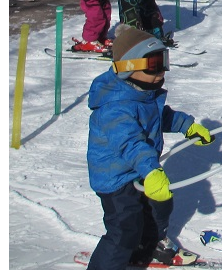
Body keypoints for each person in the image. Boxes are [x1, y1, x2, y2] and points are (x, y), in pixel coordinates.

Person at [85, 25, 215, 270]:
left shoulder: (144, 92)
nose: (161, 71)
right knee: (125, 228)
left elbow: (159, 116)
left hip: (142, 169)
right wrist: (152, 170)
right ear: (128, 68)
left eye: (163, 62)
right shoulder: (115, 107)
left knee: (159, 208)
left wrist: (187, 126)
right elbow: (131, 143)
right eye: (153, 64)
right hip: (117, 178)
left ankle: (147, 246)